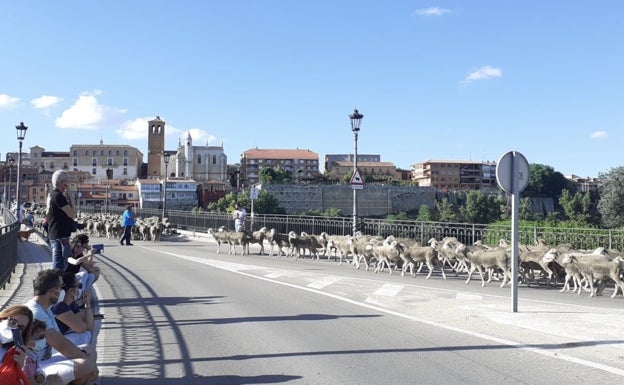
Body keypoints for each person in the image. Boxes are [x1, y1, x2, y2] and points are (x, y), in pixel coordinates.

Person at [25, 269, 98, 385]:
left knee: (90, 350)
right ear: (54, 291)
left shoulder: (44, 308)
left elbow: (62, 340)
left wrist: (85, 356)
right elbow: (61, 345)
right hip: (36, 367)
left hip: (45, 359)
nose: (62, 290)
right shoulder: (36, 312)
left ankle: (88, 380)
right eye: (61, 286)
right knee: (85, 366)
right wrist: (89, 363)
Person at [51, 272, 94, 347]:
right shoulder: (59, 306)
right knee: (84, 335)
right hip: (48, 347)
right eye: (79, 286)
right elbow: (82, 328)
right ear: (71, 291)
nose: (80, 289)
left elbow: (89, 326)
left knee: (86, 334)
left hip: (56, 340)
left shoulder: (71, 304)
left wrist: (88, 304)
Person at [47, 170, 77, 270]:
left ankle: (58, 284)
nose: (68, 183)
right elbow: (73, 214)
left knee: (61, 266)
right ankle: (56, 285)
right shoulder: (58, 196)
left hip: (57, 235)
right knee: (59, 268)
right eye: (67, 181)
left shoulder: (52, 194)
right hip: (60, 237)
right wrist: (70, 194)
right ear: (62, 182)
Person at [0, 305, 32, 384]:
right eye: (13, 322)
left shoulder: (14, 353)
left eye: (20, 328)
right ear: (2, 318)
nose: (15, 328)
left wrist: (18, 367)